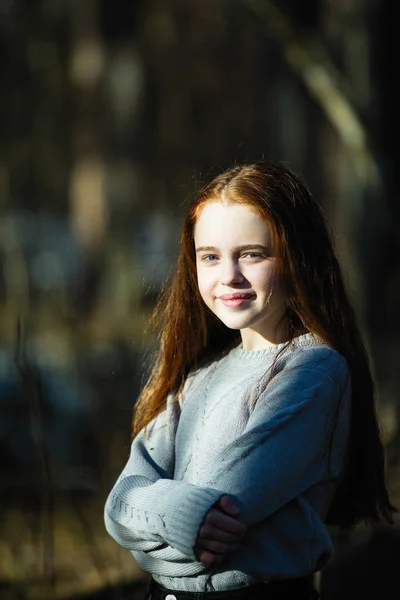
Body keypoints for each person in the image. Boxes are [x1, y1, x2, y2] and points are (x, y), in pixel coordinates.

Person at [104, 160, 396, 600]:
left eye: (252, 254)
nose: (229, 277)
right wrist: (182, 521)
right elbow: (117, 503)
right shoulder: (200, 374)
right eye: (210, 257)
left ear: (296, 256)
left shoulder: (312, 372)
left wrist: (149, 535)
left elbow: (224, 508)